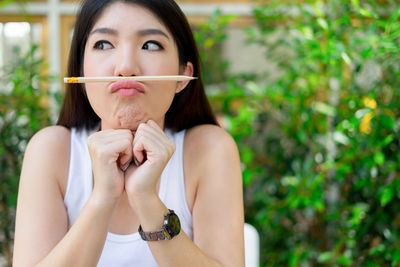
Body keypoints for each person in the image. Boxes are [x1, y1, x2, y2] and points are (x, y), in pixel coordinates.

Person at [12, 0, 244, 266]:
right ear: (81, 72)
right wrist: (102, 197)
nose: (125, 67)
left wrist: (146, 199)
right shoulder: (51, 151)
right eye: (103, 44)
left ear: (182, 75)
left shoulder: (208, 149)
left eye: (150, 45)